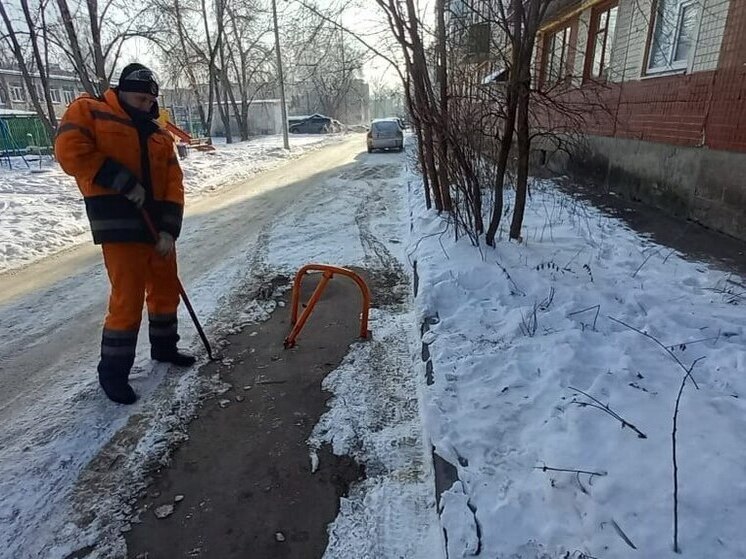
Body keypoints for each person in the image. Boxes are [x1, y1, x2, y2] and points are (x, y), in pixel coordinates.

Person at [55, 63, 195, 405]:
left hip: (157, 228)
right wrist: (120, 180)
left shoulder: (160, 135)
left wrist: (169, 230)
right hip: (119, 226)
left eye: (151, 100)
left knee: (165, 290)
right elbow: (70, 151)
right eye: (140, 97)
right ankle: (114, 375)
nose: (146, 105)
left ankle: (165, 348)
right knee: (127, 300)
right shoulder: (91, 111)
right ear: (122, 90)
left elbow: (174, 185)